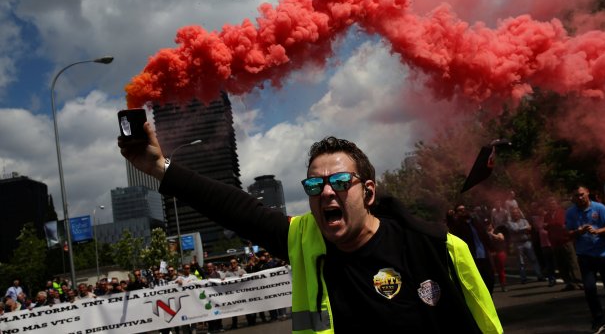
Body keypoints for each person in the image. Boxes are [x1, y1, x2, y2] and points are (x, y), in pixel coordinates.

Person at [119, 127, 501, 333]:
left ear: (368, 191)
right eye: (315, 186)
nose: (326, 192)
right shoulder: (304, 238)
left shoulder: (437, 247)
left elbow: (485, 323)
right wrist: (160, 168)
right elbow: (234, 208)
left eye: (339, 181)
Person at [566, 185, 605, 333]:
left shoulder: (600, 208)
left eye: (581, 195)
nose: (579, 198)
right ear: (573, 198)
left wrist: (599, 230)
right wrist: (578, 231)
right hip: (585, 256)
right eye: (576, 196)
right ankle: (599, 320)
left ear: (587, 193)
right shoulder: (570, 212)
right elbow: (568, 233)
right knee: (590, 289)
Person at [448, 205, 496, 293]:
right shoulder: (459, 225)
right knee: (477, 280)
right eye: (460, 210)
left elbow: (484, 235)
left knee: (490, 278)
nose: (463, 211)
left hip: (483, 255)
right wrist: (450, 217)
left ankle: (489, 294)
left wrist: (492, 248)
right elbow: (452, 227)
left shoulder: (475, 222)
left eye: (464, 209)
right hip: (471, 257)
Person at [544, 196, 582, 291]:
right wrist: (551, 225)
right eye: (549, 204)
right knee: (561, 263)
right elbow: (546, 226)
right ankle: (568, 282)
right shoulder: (547, 215)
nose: (551, 205)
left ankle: (578, 281)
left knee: (572, 261)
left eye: (553, 203)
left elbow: (561, 224)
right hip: (554, 242)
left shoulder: (563, 212)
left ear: (556, 204)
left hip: (565, 240)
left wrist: (551, 225)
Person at [507, 207, 543, 284]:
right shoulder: (510, 223)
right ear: (512, 215)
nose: (515, 214)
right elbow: (514, 230)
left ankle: (539, 275)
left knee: (534, 259)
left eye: (516, 213)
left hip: (527, 242)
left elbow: (529, 228)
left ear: (519, 214)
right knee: (521, 262)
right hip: (518, 244)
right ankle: (523, 278)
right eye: (514, 213)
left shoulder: (524, 221)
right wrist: (524, 228)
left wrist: (521, 229)